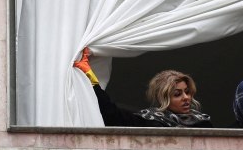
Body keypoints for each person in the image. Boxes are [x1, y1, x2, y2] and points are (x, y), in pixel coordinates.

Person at [72, 49, 212, 128]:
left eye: (187, 92)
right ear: (162, 98)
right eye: (177, 94)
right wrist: (91, 80)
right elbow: (110, 113)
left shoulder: (202, 122)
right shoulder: (149, 121)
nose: (186, 98)